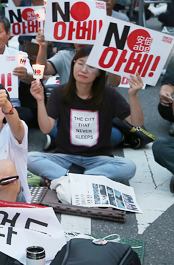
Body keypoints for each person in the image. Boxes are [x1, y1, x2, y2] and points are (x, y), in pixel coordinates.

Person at [27, 47, 141, 184]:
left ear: (99, 72)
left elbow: (136, 122)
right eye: (80, 63)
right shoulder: (59, 92)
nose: (84, 70)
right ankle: (84, 179)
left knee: (129, 167)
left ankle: (67, 179)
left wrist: (133, 95)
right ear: (73, 64)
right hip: (65, 157)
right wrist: (40, 101)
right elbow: (46, 129)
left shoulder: (109, 94)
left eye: (91, 66)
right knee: (29, 158)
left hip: (98, 159)